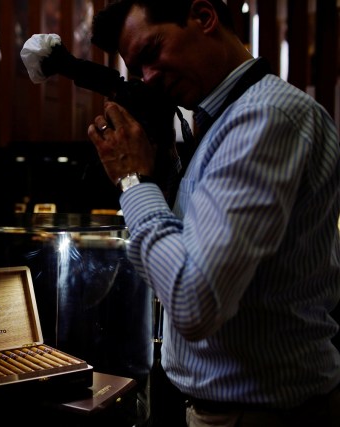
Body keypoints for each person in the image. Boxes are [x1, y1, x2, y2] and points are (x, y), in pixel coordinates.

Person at [86, 1, 340, 426]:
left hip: (265, 413)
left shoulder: (265, 116)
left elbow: (192, 301)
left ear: (204, 17)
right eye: (137, 69)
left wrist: (133, 181)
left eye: (152, 52)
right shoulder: (214, 122)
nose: (148, 77)